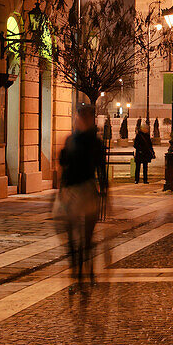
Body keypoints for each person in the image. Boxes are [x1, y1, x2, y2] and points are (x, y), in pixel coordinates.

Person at [55, 103, 107, 292]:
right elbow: (64, 165)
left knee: (85, 238)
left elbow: (101, 169)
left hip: (85, 190)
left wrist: (105, 193)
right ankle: (78, 275)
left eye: (81, 117)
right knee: (72, 238)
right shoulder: (73, 139)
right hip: (72, 191)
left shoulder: (93, 142)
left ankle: (86, 272)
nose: (79, 120)